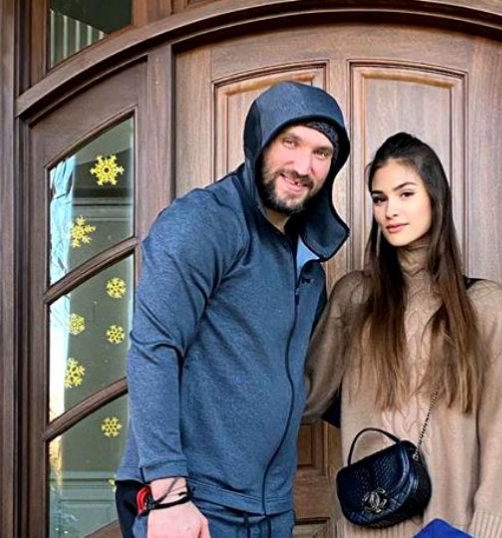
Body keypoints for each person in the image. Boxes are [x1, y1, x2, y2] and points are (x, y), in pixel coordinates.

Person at [115, 81, 351, 538]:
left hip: (269, 509)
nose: (303, 167)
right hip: (193, 502)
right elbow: (153, 350)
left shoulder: (307, 265)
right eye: (290, 142)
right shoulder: (203, 222)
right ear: (260, 141)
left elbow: (305, 381)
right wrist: (170, 496)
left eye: (321, 153)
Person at [304, 132, 502, 538]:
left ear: (434, 199)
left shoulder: (482, 304)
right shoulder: (355, 297)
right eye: (379, 198)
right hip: (364, 527)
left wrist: (487, 529)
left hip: (452, 528)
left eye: (405, 194)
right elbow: (307, 397)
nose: (390, 210)